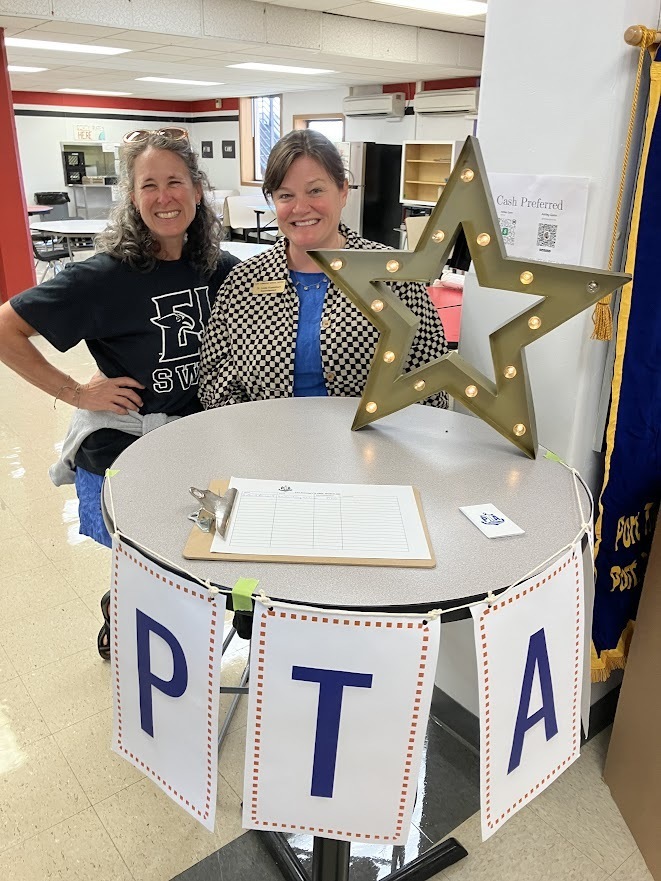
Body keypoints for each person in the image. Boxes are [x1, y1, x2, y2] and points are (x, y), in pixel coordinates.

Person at [0, 127, 238, 658]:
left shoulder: (218, 270)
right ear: (133, 198)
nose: (163, 196)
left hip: (200, 445)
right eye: (148, 184)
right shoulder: (102, 278)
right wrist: (75, 391)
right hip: (129, 450)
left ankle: (181, 630)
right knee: (143, 560)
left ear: (198, 191)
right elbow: (5, 329)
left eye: (175, 181)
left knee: (199, 554)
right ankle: (123, 612)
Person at [199, 129, 448, 410]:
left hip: (372, 448)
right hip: (266, 445)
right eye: (285, 195)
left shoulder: (393, 276)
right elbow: (215, 381)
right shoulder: (243, 284)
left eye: (315, 190)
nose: (300, 207)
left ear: (343, 191)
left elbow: (431, 380)